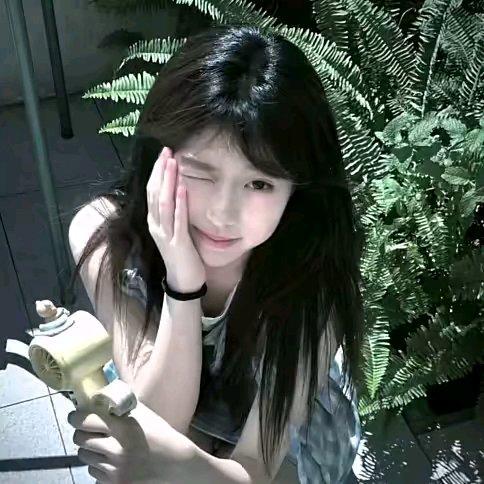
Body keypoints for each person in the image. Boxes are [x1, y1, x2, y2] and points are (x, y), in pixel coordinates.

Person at [66, 24, 365, 483]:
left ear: (296, 189)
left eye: (259, 183)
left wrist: (175, 460)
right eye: (199, 172)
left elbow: (255, 467)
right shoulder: (107, 237)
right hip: (188, 424)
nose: (223, 214)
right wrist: (183, 285)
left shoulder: (311, 276)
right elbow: (162, 420)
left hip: (291, 443)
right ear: (158, 158)